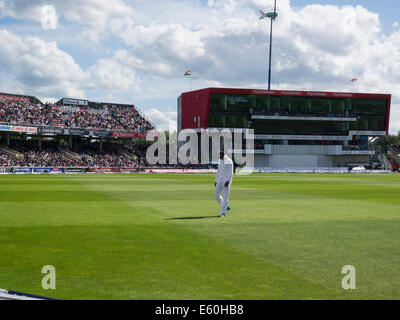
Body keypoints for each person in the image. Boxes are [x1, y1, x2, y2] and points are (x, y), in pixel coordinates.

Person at [214, 149, 233, 217]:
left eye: (219, 154)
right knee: (216, 194)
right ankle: (225, 206)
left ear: (222, 154)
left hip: (226, 180)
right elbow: (218, 171)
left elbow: (231, 172)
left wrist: (228, 181)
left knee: (225, 196)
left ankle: (223, 213)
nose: (218, 155)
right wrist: (216, 180)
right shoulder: (220, 161)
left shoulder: (229, 161)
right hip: (219, 180)